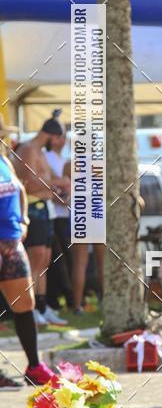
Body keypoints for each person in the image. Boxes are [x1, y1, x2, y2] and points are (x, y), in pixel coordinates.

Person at [0, 114, 54, 388]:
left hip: (12, 241)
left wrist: (24, 220)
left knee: (25, 304)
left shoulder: (5, 160)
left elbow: (20, 189)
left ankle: (34, 366)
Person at [11, 112, 70, 326]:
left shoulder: (41, 152)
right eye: (59, 138)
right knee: (35, 260)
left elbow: (44, 179)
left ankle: (43, 307)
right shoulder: (28, 150)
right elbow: (29, 183)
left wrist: (57, 183)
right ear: (52, 135)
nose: (60, 143)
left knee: (44, 260)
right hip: (34, 208)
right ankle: (32, 307)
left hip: (46, 208)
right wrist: (57, 182)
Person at [45, 131, 73, 314]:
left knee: (64, 260)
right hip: (53, 215)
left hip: (64, 216)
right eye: (61, 135)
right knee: (56, 261)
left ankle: (61, 300)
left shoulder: (62, 158)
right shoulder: (46, 157)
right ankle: (54, 300)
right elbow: (49, 185)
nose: (64, 140)